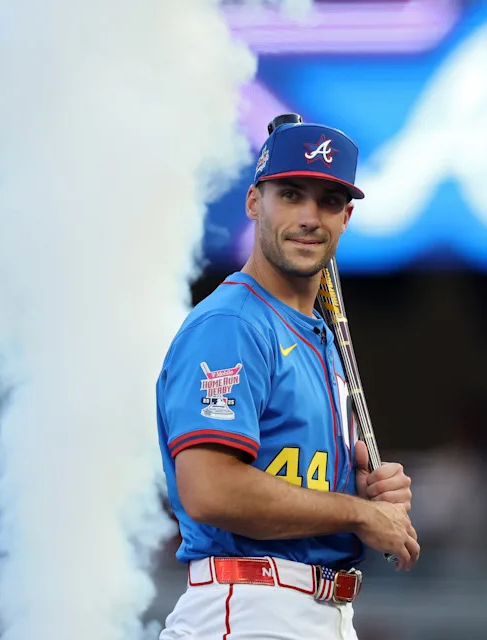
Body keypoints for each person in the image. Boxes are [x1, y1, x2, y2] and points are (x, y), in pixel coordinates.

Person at [156, 114, 419, 640]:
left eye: (326, 201)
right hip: (249, 606)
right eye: (291, 194)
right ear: (255, 202)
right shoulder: (232, 323)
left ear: (346, 216)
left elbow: (295, 477)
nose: (309, 217)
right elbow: (210, 489)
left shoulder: (315, 333)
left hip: (317, 609)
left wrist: (361, 490)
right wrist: (359, 516)